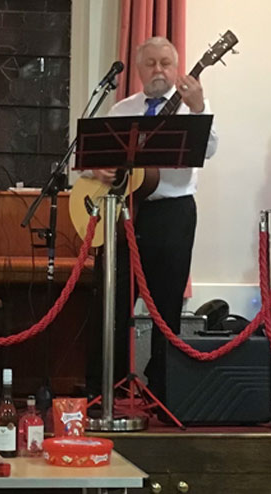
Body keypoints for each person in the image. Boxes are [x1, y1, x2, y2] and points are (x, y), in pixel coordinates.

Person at [84, 36, 218, 418]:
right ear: (139, 69)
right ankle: (102, 389)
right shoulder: (123, 108)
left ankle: (163, 390)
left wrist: (199, 109)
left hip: (172, 214)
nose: (158, 70)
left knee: (166, 304)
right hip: (124, 211)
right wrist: (100, 169)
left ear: (176, 68)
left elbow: (209, 150)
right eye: (150, 64)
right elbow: (96, 156)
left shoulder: (194, 108)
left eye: (165, 63)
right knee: (111, 300)